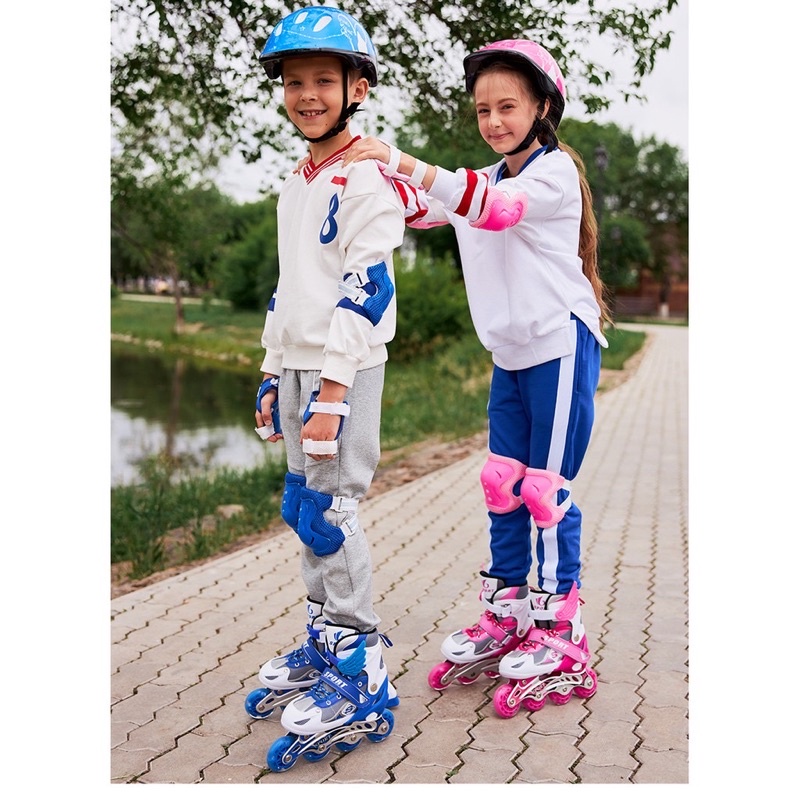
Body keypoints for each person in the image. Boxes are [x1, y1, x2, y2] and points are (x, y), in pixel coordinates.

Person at [343, 39, 609, 717]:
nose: (493, 120)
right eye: (484, 109)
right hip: (510, 352)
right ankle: (507, 611)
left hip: (559, 344)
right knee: (502, 483)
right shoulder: (484, 177)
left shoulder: (551, 176)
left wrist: (399, 158)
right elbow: (422, 207)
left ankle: (559, 630)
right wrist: (355, 167)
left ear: (542, 107)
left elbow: (493, 207)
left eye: (507, 107)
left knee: (545, 491)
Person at [244, 6, 404, 769]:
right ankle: (324, 637)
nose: (307, 95)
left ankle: (361, 662)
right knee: (302, 509)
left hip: (348, 363)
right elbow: (290, 287)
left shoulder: (365, 176)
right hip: (301, 362)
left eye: (322, 81)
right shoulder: (295, 181)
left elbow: (367, 288)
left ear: (356, 89)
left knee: (333, 511)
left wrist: (334, 389)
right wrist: (272, 367)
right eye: (294, 82)